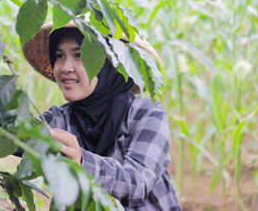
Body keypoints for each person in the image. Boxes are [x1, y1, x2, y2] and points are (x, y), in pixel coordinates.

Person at [23, 22, 183, 210]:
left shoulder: (147, 115)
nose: (66, 67)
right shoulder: (62, 118)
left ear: (109, 63)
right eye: (59, 56)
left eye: (80, 55)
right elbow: (20, 133)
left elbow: (138, 184)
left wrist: (82, 161)